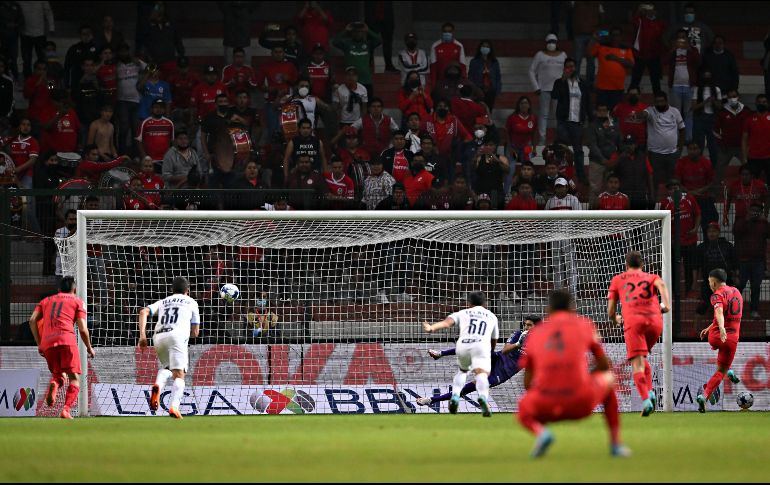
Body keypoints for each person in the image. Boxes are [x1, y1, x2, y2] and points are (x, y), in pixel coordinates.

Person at [517, 289, 630, 458]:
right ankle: (615, 444)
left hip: (545, 403)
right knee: (609, 379)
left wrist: (540, 397)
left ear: (548, 310)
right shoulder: (585, 324)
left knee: (523, 408)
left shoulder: (535, 333)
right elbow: (604, 364)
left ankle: (541, 433)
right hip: (581, 401)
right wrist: (587, 376)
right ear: (572, 308)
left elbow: (528, 379)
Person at [418, 316, 541, 407]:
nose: (525, 327)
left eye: (529, 325)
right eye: (525, 324)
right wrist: (518, 343)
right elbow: (505, 350)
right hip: (497, 358)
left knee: (468, 388)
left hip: (504, 372)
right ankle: (440, 354)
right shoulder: (518, 334)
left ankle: (430, 400)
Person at [607, 251, 670, 415]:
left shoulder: (618, 279)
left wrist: (615, 319)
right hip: (655, 322)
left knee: (637, 364)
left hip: (633, 323)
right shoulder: (652, 277)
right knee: (643, 359)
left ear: (626, 265)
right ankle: (650, 392)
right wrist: (665, 305)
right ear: (642, 265)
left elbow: (611, 310)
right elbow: (661, 285)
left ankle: (646, 399)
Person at [421, 291, 498, 417]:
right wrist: (489, 353)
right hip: (481, 346)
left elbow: (446, 323)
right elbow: (494, 339)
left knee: (462, 371)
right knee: (482, 374)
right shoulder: (491, 316)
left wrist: (431, 328)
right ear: (485, 303)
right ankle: (483, 398)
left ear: (469, 303)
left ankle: (455, 395)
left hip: (463, 345)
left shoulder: (463, 313)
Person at [28, 276, 95, 419]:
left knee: (58, 375)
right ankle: (66, 410)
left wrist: (39, 343)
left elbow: (32, 320)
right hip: (67, 340)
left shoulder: (45, 301)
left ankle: (54, 384)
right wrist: (89, 347)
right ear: (74, 289)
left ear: (59, 289)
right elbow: (82, 329)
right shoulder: (78, 301)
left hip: (48, 343)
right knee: (74, 378)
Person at [138, 276, 200, 419]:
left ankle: (158, 386)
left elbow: (143, 312)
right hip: (177, 336)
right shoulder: (191, 302)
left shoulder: (163, 301)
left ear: (172, 290)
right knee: (179, 374)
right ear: (187, 291)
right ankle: (174, 407)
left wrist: (142, 336)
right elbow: (195, 332)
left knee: (168, 369)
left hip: (158, 337)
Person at [696, 268, 742, 413]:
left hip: (717, 337)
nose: (710, 285)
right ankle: (726, 374)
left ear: (714, 282)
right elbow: (727, 315)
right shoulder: (737, 292)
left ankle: (704, 397)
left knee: (720, 370)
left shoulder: (717, 294)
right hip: (732, 338)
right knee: (720, 371)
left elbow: (720, 312)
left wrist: (720, 328)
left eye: (710, 282)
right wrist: (711, 327)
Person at [633, 91, 685, 201]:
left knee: (673, 182)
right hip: (655, 154)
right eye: (657, 102)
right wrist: (639, 114)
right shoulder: (651, 111)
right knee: (653, 181)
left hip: (672, 154)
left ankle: (673, 204)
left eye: (662, 101)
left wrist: (679, 149)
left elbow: (682, 130)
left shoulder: (674, 112)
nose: (659, 103)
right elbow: (643, 114)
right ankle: (652, 206)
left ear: (666, 101)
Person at [551, 57, 590, 182]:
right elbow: (554, 95)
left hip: (577, 121)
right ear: (564, 68)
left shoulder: (582, 83)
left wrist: (590, 118)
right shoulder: (559, 82)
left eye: (572, 66)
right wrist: (563, 80)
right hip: (563, 120)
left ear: (576, 67)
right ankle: (559, 172)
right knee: (561, 146)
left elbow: (587, 102)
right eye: (568, 66)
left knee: (578, 149)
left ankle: (580, 175)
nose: (570, 68)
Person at [660, 179, 701, 294]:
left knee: (689, 267)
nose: (674, 190)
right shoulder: (665, 203)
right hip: (674, 242)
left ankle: (688, 289)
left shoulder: (689, 199)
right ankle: (673, 291)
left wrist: (696, 228)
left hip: (689, 240)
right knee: (672, 268)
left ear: (680, 188)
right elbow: (661, 221)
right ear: (668, 190)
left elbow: (698, 214)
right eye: (671, 188)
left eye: (676, 187)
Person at [733, 203, 770, 319]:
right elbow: (736, 232)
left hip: (758, 261)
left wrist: (766, 221)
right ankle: (734, 308)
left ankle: (754, 310)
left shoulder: (763, 224)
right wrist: (746, 220)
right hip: (743, 260)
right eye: (753, 209)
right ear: (748, 210)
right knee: (740, 285)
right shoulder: (741, 221)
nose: (755, 212)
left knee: (756, 287)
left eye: (757, 210)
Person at [529, 34, 568, 144]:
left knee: (558, 115)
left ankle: (559, 139)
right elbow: (531, 71)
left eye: (554, 41)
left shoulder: (563, 55)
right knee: (544, 115)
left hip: (559, 89)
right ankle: (542, 140)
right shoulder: (540, 55)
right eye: (550, 41)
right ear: (546, 43)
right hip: (544, 89)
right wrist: (536, 87)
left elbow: (568, 70)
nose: (552, 44)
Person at [256, 45, 299, 141]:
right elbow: (259, 85)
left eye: (280, 52)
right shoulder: (265, 67)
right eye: (276, 52)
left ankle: (287, 153)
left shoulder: (290, 66)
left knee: (289, 132)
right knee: (273, 132)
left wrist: (289, 79)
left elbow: (297, 83)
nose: (278, 54)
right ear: (271, 53)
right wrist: (270, 89)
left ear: (284, 53)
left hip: (288, 103)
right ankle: (274, 153)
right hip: (272, 103)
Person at [675, 141, 716, 236]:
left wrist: (699, 191)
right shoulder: (681, 163)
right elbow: (678, 183)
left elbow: (711, 182)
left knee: (708, 225)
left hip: (703, 198)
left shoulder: (706, 162)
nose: (692, 151)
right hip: (687, 199)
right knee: (688, 228)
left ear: (700, 150)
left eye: (695, 149)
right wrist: (690, 192)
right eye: (690, 149)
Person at [696, 223, 737, 314]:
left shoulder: (727, 246)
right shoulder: (702, 248)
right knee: (702, 308)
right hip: (708, 282)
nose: (712, 234)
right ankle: (697, 328)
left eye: (714, 231)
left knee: (727, 307)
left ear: (718, 232)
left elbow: (735, 263)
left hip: (726, 281)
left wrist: (736, 277)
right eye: (709, 231)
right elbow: (697, 265)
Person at [589, 27, 635, 111]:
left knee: (616, 113)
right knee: (602, 114)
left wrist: (616, 58)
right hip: (602, 87)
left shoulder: (626, 48)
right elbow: (589, 53)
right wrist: (597, 36)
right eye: (613, 35)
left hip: (617, 88)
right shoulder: (601, 46)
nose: (615, 37)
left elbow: (631, 64)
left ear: (621, 36)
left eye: (617, 35)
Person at [332, 22, 381, 97]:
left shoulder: (368, 44)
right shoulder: (347, 44)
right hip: (351, 81)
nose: (358, 33)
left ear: (363, 33)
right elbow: (335, 42)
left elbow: (379, 40)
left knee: (368, 104)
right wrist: (345, 31)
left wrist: (368, 30)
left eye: (360, 31)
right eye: (355, 31)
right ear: (352, 33)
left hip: (366, 80)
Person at [666, 34, 700, 140]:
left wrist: (689, 48)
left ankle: (688, 138)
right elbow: (664, 61)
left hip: (689, 86)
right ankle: (676, 137)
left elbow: (698, 62)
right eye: (679, 40)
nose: (681, 42)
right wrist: (673, 49)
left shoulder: (692, 50)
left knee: (688, 113)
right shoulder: (673, 51)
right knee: (676, 113)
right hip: (675, 86)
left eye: (683, 40)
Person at [714, 90, 752, 185]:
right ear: (727, 98)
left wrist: (748, 144)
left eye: (734, 96)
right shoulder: (722, 112)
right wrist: (721, 142)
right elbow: (715, 130)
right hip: (726, 148)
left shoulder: (747, 111)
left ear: (738, 96)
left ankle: (751, 189)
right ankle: (716, 190)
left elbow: (752, 128)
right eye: (730, 97)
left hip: (742, 148)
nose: (732, 99)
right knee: (719, 170)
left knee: (750, 169)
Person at [586, 102, 621, 205]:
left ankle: (612, 212)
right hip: (597, 162)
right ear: (596, 112)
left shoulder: (614, 124)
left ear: (608, 112)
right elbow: (592, 145)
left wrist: (616, 159)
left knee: (612, 189)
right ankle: (592, 217)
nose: (602, 113)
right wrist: (603, 160)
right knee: (594, 190)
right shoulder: (592, 126)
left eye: (604, 111)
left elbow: (619, 142)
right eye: (600, 111)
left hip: (612, 163)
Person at [115, 44, 147, 154]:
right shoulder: (116, 65)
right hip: (121, 100)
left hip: (136, 100)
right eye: (121, 51)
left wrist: (140, 64)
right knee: (123, 127)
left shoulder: (136, 63)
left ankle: (135, 154)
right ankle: (122, 153)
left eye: (125, 51)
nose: (123, 53)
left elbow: (152, 68)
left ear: (129, 52)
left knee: (135, 128)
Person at [630, 3, 666, 95]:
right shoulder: (641, 21)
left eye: (652, 10)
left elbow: (660, 36)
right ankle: (631, 100)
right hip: (640, 56)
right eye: (647, 10)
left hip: (654, 56)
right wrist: (639, 10)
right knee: (635, 80)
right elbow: (634, 20)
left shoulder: (659, 23)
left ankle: (658, 100)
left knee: (655, 81)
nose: (650, 12)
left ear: (655, 11)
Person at [504, 96, 538, 196]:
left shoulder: (533, 118)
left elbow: (534, 134)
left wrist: (534, 148)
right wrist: (510, 148)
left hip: (526, 147)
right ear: (518, 105)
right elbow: (507, 133)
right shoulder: (512, 118)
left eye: (526, 103)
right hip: (513, 146)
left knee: (528, 170)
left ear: (529, 106)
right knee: (511, 168)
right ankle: (507, 193)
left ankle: (530, 193)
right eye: (522, 103)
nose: (524, 105)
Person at [611, 134, 654, 209]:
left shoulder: (643, 157)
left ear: (636, 145)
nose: (629, 146)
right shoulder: (617, 156)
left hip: (640, 196)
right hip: (623, 196)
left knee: (640, 220)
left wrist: (651, 195)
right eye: (626, 144)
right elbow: (609, 169)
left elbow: (649, 175)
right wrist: (620, 158)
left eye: (631, 144)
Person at [691, 68, 721, 164]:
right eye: (705, 76)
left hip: (712, 119)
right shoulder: (697, 89)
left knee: (713, 146)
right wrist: (705, 102)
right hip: (699, 118)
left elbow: (720, 106)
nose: (707, 78)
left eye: (709, 76)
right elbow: (694, 107)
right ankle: (698, 165)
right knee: (698, 144)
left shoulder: (716, 89)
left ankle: (714, 167)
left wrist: (713, 101)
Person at [19, 1, 54, 78]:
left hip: (40, 34)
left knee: (42, 59)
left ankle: (44, 80)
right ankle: (28, 81)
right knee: (26, 60)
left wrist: (51, 27)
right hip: (25, 34)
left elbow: (48, 12)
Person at [571, 1, 602, 86]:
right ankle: (575, 80)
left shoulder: (597, 4)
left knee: (591, 60)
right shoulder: (575, 3)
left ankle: (590, 83)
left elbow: (602, 19)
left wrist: (598, 34)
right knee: (577, 59)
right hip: (578, 34)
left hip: (592, 35)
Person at [472, 137, 509, 208]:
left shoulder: (502, 158)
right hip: (481, 189)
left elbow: (507, 170)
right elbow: (473, 169)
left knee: (495, 211)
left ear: (495, 146)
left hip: (495, 190)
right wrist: (475, 156)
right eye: (486, 145)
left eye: (491, 145)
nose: (488, 147)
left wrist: (497, 161)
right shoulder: (479, 158)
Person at [742, 94, 770, 182]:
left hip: (769, 157)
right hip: (753, 157)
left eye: (764, 102)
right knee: (753, 184)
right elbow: (744, 139)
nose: (761, 104)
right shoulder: (749, 119)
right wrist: (744, 157)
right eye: (759, 102)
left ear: (768, 104)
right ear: (756, 103)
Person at [136, 98, 174, 163]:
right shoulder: (145, 123)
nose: (158, 109)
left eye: (161, 107)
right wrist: (144, 157)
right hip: (150, 161)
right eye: (156, 107)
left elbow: (173, 142)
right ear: (151, 109)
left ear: (164, 110)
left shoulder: (169, 123)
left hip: (165, 160)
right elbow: (139, 141)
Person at [429, 22, 466, 88]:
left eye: (449, 31)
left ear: (453, 32)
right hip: (440, 81)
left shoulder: (459, 46)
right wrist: (433, 84)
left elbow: (462, 65)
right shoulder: (435, 46)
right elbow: (433, 67)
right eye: (445, 31)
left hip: (455, 81)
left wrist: (463, 81)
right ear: (442, 32)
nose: (447, 33)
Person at [468, 40, 501, 112]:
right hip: (478, 89)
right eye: (483, 46)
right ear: (480, 48)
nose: (485, 48)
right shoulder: (474, 61)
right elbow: (470, 77)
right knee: (479, 110)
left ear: (490, 49)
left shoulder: (494, 62)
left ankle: (487, 123)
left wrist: (497, 90)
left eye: (487, 47)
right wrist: (474, 89)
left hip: (491, 90)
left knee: (489, 111)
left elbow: (498, 77)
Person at [365, 1, 396, 72]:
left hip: (387, 19)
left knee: (388, 43)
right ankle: (368, 63)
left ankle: (388, 65)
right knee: (370, 42)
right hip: (372, 18)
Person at [63, 24, 97, 89]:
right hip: (77, 80)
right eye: (84, 34)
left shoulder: (97, 47)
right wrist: (66, 85)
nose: (86, 36)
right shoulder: (74, 48)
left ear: (91, 34)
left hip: (93, 79)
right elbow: (67, 67)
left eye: (88, 33)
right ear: (80, 35)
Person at [0, 0, 24, 80]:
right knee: (3, 57)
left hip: (13, 36)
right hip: (2, 36)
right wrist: (5, 24)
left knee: (13, 57)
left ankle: (15, 77)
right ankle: (4, 76)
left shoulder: (16, 6)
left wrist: (16, 25)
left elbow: (21, 19)